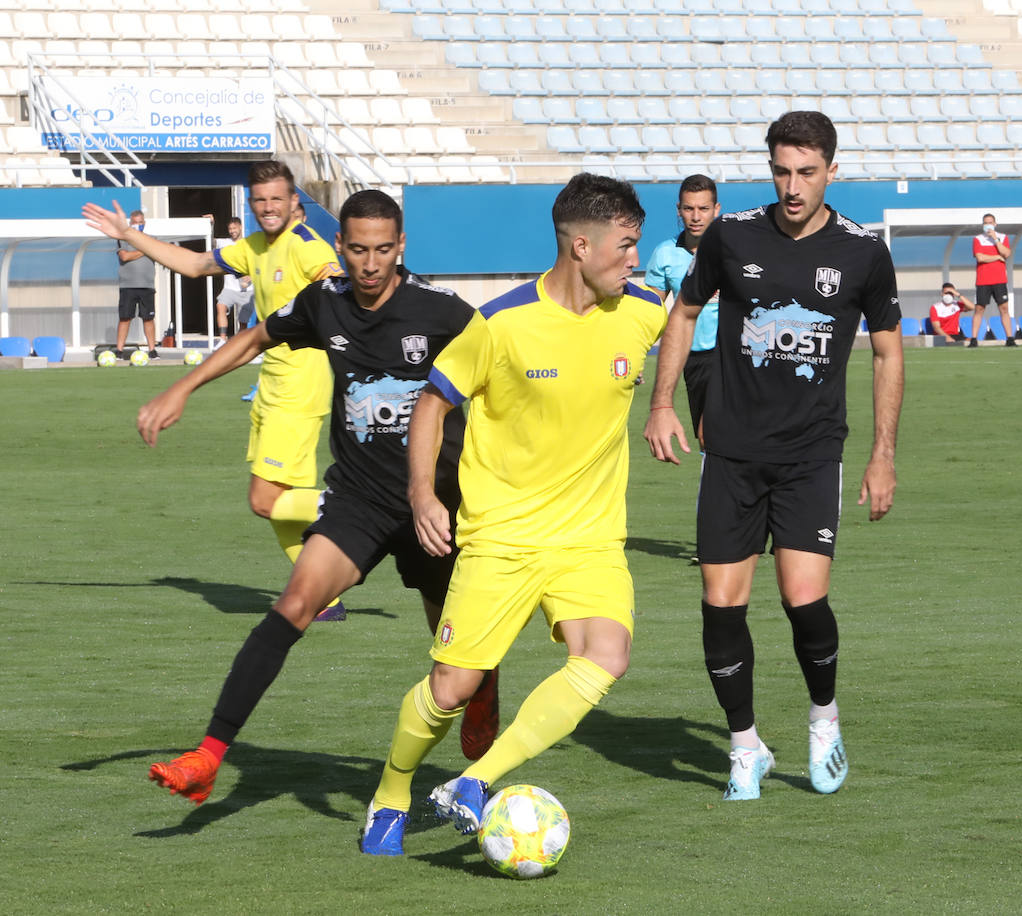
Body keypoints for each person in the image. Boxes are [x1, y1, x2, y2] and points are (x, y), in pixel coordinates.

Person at [129, 190, 500, 804]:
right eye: (358, 249)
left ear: (401, 247)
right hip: (359, 498)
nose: (371, 263)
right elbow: (254, 338)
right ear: (339, 247)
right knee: (295, 603)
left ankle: (480, 752)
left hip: (436, 503)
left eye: (384, 249)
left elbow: (503, 371)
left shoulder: (443, 312)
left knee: (456, 655)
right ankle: (209, 754)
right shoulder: (324, 303)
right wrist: (182, 388)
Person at [360, 173, 667, 856]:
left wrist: (666, 400)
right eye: (625, 245)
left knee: (606, 655)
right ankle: (389, 792)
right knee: (450, 688)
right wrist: (421, 495)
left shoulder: (643, 310)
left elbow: (685, 324)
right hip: (501, 536)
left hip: (588, 538)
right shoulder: (499, 324)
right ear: (579, 245)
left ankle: (475, 782)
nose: (634, 259)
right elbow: (432, 404)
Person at [642, 111, 904, 802]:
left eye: (807, 173)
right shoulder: (731, 236)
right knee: (720, 603)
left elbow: (886, 351)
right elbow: (684, 313)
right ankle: (744, 746)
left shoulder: (863, 251)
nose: (793, 186)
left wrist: (883, 455)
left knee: (802, 598)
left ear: (831, 172)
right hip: (730, 451)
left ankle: (823, 721)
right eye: (782, 171)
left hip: (812, 454)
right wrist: (662, 402)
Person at [85, 162, 350, 622]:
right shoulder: (252, 247)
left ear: (294, 204)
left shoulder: (308, 248)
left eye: (277, 200)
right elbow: (192, 264)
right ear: (252, 205)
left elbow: (337, 283)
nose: (268, 208)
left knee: (265, 500)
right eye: (260, 200)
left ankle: (376, 509)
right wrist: (129, 233)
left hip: (300, 385)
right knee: (280, 501)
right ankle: (323, 598)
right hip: (273, 382)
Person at [644, 174, 721, 442]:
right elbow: (651, 310)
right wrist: (636, 351)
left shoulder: (733, 250)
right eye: (689, 208)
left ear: (716, 209)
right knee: (706, 438)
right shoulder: (665, 254)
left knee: (715, 430)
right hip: (691, 357)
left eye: (703, 208)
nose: (696, 216)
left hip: (731, 354)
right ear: (679, 210)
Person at [115, 209, 160, 359]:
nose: (138, 225)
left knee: (148, 318)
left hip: (147, 286)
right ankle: (119, 351)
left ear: (144, 223)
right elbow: (125, 256)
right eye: (135, 223)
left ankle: (152, 351)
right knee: (125, 318)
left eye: (140, 223)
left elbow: (158, 252)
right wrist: (146, 250)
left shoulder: (152, 239)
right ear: (130, 223)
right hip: (127, 286)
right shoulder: (123, 239)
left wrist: (149, 248)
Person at [971, 212, 1016, 347]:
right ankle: (974, 339)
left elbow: (1006, 253)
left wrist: (996, 239)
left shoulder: (1002, 237)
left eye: (990, 222)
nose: (988, 225)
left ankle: (1009, 338)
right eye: (985, 223)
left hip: (1000, 279)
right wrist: (997, 257)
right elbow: (980, 257)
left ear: (995, 224)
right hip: (983, 280)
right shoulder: (978, 239)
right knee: (979, 309)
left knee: (1004, 308)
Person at [213, 218, 254, 344]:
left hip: (247, 290)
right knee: (220, 306)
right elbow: (211, 241)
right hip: (229, 288)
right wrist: (211, 225)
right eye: (230, 229)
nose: (232, 231)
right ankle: (222, 339)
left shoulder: (249, 244)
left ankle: (241, 345)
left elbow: (257, 265)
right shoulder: (224, 242)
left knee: (243, 322)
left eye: (234, 228)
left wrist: (250, 277)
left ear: (240, 227)